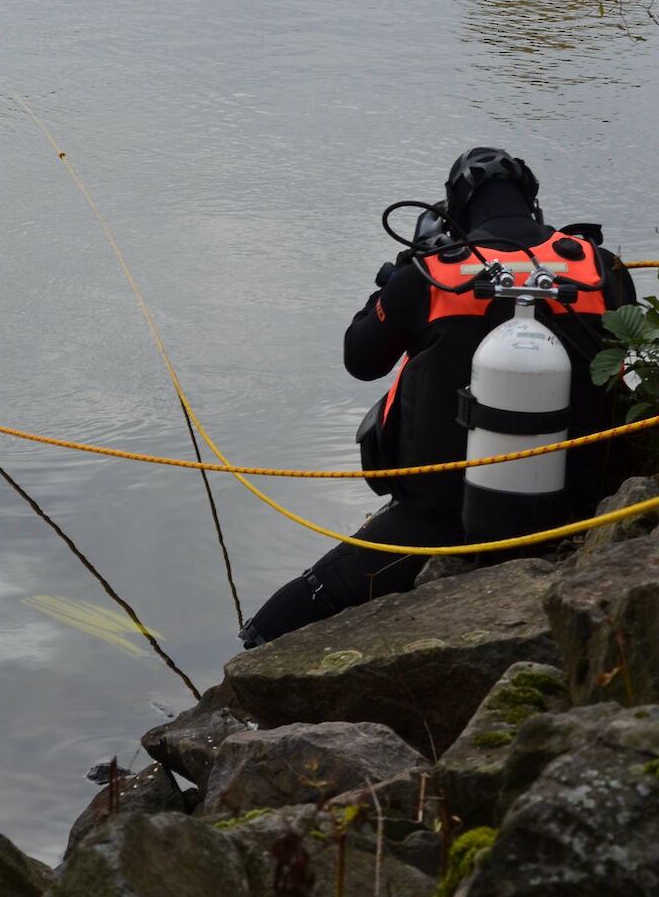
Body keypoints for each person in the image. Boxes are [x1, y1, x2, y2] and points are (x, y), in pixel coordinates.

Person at [240, 147, 636, 646]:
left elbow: (360, 360)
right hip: (581, 500)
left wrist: (402, 273)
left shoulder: (432, 274)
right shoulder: (602, 268)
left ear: (455, 207)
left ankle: (236, 676)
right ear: (532, 202)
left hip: (439, 514)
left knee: (292, 613)